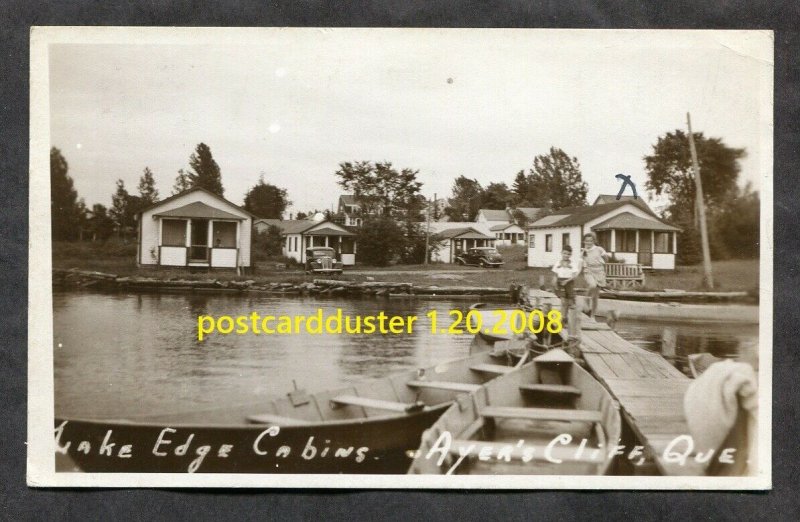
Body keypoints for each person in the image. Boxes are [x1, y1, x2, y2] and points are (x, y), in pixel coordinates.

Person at [552, 245, 581, 338]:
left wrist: (567, 281)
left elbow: (574, 275)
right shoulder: (558, 263)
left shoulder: (572, 264)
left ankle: (568, 318)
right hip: (560, 282)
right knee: (563, 301)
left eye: (568, 254)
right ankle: (563, 319)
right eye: (564, 253)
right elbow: (555, 274)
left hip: (569, 282)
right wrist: (555, 282)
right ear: (561, 253)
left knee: (570, 302)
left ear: (571, 255)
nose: (566, 255)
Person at [581, 232, 610, 318]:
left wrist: (601, 262)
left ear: (594, 241)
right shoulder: (584, 251)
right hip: (589, 271)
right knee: (592, 285)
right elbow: (580, 261)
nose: (588, 243)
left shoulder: (599, 249)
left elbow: (606, 259)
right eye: (586, 241)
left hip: (599, 272)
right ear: (584, 241)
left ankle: (592, 316)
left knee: (595, 297)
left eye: (590, 241)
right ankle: (585, 299)